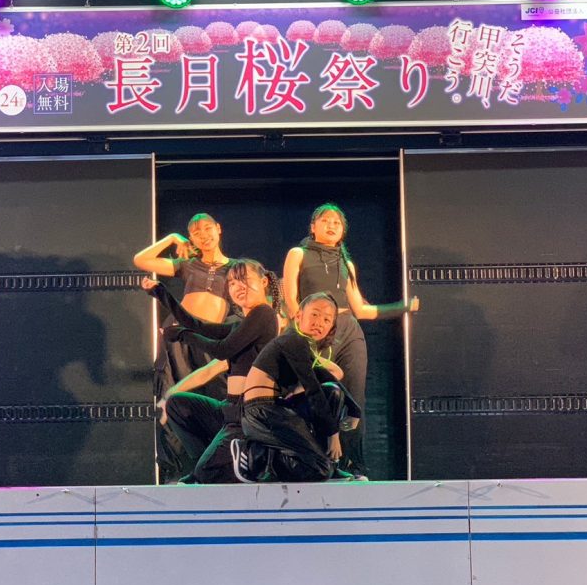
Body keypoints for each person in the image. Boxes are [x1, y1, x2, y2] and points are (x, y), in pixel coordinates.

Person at [282, 203, 418, 478]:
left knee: (354, 400)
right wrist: (302, 331)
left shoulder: (347, 263)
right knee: (323, 394)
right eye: (325, 220)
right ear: (313, 227)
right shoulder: (298, 254)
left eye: (337, 222)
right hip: (316, 328)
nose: (331, 225)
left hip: (348, 329)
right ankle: (321, 463)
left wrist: (403, 307)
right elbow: (291, 300)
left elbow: (361, 310)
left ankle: (354, 466)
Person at [142, 259, 281, 483]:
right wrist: (162, 293)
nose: (238, 286)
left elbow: (222, 349)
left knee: (203, 476)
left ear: (264, 282)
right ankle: (209, 462)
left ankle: (224, 464)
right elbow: (198, 324)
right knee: (177, 404)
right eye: (232, 282)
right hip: (231, 409)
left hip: (248, 415)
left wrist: (181, 335)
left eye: (244, 279)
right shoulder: (242, 324)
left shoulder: (264, 314)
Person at [134, 213, 234, 479]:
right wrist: (171, 238)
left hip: (210, 340)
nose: (204, 235)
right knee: (171, 397)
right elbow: (141, 260)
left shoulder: (235, 268)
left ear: (219, 229)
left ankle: (216, 466)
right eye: (196, 232)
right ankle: (174, 472)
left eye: (208, 228)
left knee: (215, 396)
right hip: (177, 337)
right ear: (191, 238)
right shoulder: (188, 264)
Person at [238, 292, 360, 483]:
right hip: (261, 412)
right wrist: (333, 433)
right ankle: (257, 458)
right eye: (315, 314)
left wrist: (355, 410)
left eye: (327, 319)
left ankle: (330, 465)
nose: (319, 322)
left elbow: (327, 378)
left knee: (332, 392)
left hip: (278, 407)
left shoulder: (302, 346)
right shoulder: (293, 340)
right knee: (319, 469)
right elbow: (312, 390)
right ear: (298, 316)